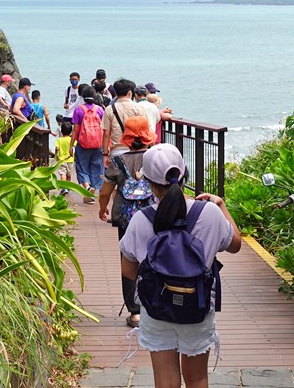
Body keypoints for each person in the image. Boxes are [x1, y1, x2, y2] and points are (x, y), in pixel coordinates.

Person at [119, 144, 242, 388]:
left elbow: (128, 271)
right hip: (197, 305)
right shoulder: (209, 213)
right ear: (184, 175)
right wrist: (221, 206)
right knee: (197, 379)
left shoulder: (141, 220)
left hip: (157, 308)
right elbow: (235, 245)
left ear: (150, 184)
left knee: (165, 382)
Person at [98, 115, 156, 327]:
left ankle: (135, 312)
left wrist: (102, 210)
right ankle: (154, 306)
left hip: (127, 217)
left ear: (126, 138)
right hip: (154, 215)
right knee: (155, 257)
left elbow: (105, 192)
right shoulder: (155, 157)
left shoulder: (117, 161)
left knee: (129, 260)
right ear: (149, 136)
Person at [70, 83, 105, 204]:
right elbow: (104, 129)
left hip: (83, 144)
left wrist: (71, 145)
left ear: (82, 96)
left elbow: (75, 129)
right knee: (96, 166)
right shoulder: (100, 110)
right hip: (98, 143)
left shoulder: (79, 110)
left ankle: (87, 187)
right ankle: (93, 188)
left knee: (81, 166)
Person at [101, 78, 145, 168]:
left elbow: (106, 134)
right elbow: (144, 131)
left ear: (116, 93)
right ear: (130, 93)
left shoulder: (109, 109)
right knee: (135, 180)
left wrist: (105, 154)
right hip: (135, 151)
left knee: (116, 179)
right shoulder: (138, 108)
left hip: (117, 151)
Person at [54, 122, 75, 194]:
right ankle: (68, 188)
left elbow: (57, 149)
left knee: (63, 174)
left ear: (61, 131)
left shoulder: (59, 140)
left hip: (61, 160)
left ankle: (64, 188)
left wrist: (56, 156)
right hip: (70, 160)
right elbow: (75, 146)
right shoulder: (71, 140)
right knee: (69, 175)